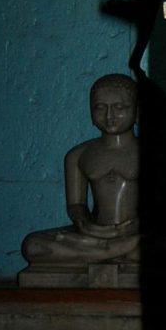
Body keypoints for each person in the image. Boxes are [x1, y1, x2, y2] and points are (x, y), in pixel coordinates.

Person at [22, 74, 140, 266]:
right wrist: (83, 223)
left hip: (137, 232)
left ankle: (105, 252)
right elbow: (76, 205)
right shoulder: (78, 155)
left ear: (137, 111)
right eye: (100, 108)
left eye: (119, 107)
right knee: (33, 246)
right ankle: (113, 251)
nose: (109, 116)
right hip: (94, 234)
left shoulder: (154, 153)